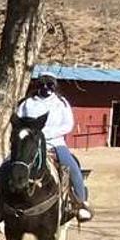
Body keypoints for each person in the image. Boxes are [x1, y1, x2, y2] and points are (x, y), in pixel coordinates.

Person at [13, 75, 92, 222]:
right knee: (8, 164)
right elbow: (18, 122)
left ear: (54, 86)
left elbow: (68, 125)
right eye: (42, 84)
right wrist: (30, 134)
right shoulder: (27, 103)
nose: (45, 87)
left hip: (55, 143)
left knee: (72, 166)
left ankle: (81, 203)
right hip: (30, 142)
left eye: (49, 84)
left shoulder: (61, 103)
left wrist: (46, 134)